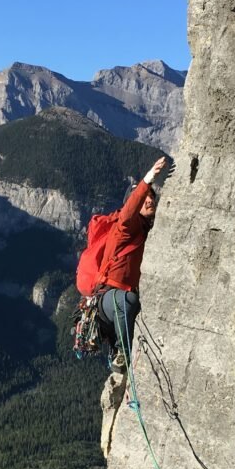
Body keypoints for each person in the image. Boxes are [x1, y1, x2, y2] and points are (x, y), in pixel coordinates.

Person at [97, 156, 169, 372]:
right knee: (126, 300)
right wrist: (148, 179)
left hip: (126, 297)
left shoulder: (147, 230)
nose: (150, 201)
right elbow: (128, 212)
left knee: (131, 300)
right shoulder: (124, 228)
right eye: (145, 198)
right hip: (108, 297)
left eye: (152, 197)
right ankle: (122, 354)